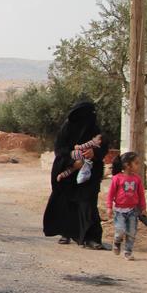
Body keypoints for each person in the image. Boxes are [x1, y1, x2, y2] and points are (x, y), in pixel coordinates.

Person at [43, 101, 108, 249]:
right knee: (66, 202)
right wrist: (72, 161)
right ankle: (66, 232)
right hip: (69, 172)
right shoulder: (67, 129)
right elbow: (60, 149)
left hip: (89, 173)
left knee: (88, 203)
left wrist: (94, 153)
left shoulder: (95, 129)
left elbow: (103, 146)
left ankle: (92, 238)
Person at [106, 152, 147, 260]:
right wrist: (109, 207)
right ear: (127, 165)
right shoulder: (117, 178)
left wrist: (143, 209)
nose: (138, 165)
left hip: (133, 210)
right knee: (120, 231)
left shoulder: (137, 179)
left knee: (131, 232)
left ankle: (128, 252)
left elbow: (141, 195)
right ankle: (116, 241)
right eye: (136, 163)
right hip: (119, 210)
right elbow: (110, 194)